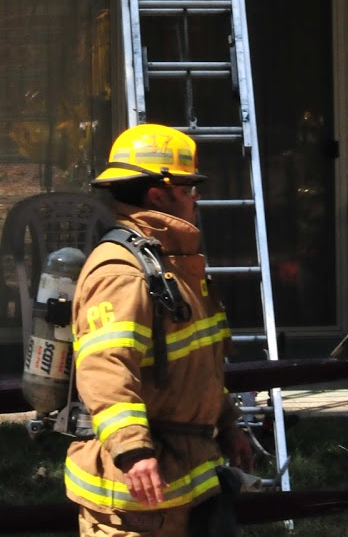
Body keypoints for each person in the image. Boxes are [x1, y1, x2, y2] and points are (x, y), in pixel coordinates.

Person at [65, 123, 254, 537]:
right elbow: (104, 369)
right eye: (187, 189)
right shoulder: (122, 271)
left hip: (181, 478)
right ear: (158, 195)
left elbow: (196, 366)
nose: (195, 198)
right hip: (135, 494)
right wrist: (133, 450)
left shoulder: (171, 265)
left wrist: (227, 425)